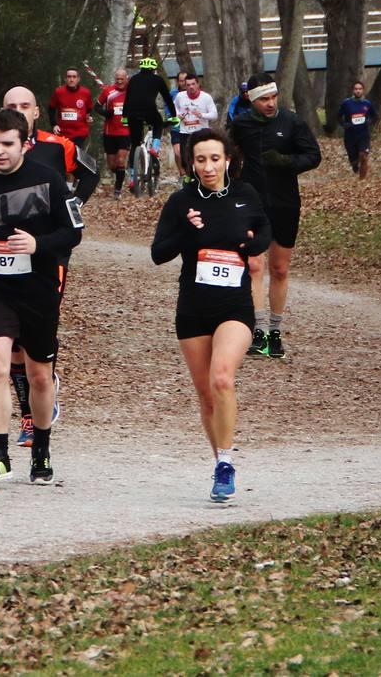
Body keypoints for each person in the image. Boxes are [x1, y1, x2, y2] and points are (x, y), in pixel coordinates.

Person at [0, 108, 84, 485]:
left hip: (38, 287)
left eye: (7, 144)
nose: (0, 151)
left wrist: (38, 243)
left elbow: (73, 232)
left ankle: (41, 451)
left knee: (40, 377)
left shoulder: (49, 180)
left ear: (25, 144)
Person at [151, 127, 270, 502]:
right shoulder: (181, 202)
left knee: (222, 378)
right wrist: (187, 231)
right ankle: (219, 459)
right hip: (193, 309)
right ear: (191, 163)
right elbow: (158, 253)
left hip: (234, 307)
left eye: (214, 158)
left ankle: (227, 462)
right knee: (205, 394)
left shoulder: (245, 195)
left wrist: (250, 243)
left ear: (227, 160)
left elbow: (265, 232)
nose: (208, 166)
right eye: (200, 159)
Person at [0, 86, 81, 445]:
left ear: (36, 113)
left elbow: (75, 218)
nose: (0, 150)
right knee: (5, 355)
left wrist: (47, 238)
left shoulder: (56, 148)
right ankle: (25, 420)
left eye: (24, 106)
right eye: (10, 106)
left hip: (45, 267)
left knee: (35, 362)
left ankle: (43, 390)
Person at [228, 80, 322, 359]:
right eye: (263, 99)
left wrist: (286, 162)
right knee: (255, 265)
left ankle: (276, 332)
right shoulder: (241, 125)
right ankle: (258, 332)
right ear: (251, 100)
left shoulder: (292, 122)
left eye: (274, 97)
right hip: (252, 205)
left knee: (280, 269)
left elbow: (313, 155)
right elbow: (228, 156)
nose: (270, 103)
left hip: (285, 203)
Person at [122, 57, 178, 165]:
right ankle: (155, 147)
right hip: (149, 111)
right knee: (158, 124)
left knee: (135, 143)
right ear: (153, 68)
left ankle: (133, 175)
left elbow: (127, 99)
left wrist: (124, 117)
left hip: (132, 113)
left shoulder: (133, 79)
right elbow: (167, 99)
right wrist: (174, 115)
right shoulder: (158, 79)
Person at [172, 74, 218, 183]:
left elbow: (214, 115)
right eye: (188, 85)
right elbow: (174, 110)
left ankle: (200, 179)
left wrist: (202, 115)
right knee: (185, 159)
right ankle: (190, 179)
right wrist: (178, 116)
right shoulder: (180, 96)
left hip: (201, 133)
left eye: (193, 84)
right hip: (185, 132)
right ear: (185, 85)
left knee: (200, 157)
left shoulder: (206, 97)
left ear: (198, 84)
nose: (191, 87)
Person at [97, 68, 132, 198]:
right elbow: (97, 106)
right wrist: (106, 113)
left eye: (122, 79)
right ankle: (121, 174)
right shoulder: (108, 91)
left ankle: (117, 191)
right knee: (112, 165)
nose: (119, 81)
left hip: (126, 131)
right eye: (117, 78)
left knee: (121, 160)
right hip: (110, 132)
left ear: (126, 78)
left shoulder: (132, 92)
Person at [48, 68, 94, 158]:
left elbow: (89, 109)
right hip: (63, 132)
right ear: (65, 79)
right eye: (69, 77)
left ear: (78, 79)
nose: (71, 79)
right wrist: (54, 125)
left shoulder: (86, 92)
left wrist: (89, 117)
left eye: (74, 77)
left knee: (74, 157)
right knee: (63, 157)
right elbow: (51, 109)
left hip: (80, 132)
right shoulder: (59, 92)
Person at [337, 81, 375, 179]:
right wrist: (344, 124)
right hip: (350, 135)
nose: (358, 91)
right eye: (356, 89)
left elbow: (374, 116)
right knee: (354, 158)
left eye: (360, 89)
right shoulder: (346, 103)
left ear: (363, 90)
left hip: (363, 134)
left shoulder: (367, 104)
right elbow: (338, 116)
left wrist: (369, 121)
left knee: (363, 156)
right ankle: (354, 164)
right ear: (353, 90)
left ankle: (362, 179)